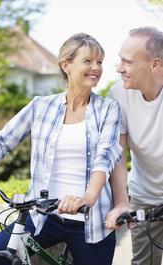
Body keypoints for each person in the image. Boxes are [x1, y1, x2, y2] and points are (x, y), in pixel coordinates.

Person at [0, 33, 122, 265]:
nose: (96, 68)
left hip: (92, 220)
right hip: (43, 216)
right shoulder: (40, 106)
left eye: (99, 62)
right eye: (88, 61)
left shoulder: (108, 109)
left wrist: (87, 198)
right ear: (66, 65)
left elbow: (104, 157)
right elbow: (3, 139)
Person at [106, 26, 163, 265]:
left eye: (127, 62)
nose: (119, 68)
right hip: (144, 197)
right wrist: (122, 202)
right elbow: (118, 154)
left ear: (155, 64)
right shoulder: (119, 94)